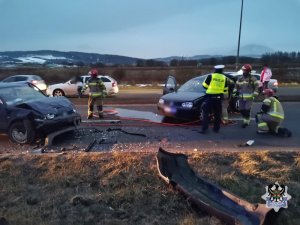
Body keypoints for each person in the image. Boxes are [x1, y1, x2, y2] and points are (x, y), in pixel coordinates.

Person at [199, 65, 229, 134]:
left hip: (210, 97)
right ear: (222, 70)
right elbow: (225, 89)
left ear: (215, 70)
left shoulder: (211, 76)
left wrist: (210, 88)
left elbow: (204, 85)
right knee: (217, 114)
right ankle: (216, 129)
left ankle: (205, 129)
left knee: (205, 113)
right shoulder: (225, 78)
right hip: (218, 98)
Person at [234, 64, 259, 128]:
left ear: (248, 71)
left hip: (249, 98)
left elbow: (257, 87)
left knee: (247, 110)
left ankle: (246, 122)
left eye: (244, 70)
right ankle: (246, 119)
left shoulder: (253, 79)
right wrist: (234, 92)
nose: (243, 72)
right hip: (241, 97)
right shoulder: (240, 78)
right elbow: (236, 86)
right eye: (243, 71)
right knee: (241, 110)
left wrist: (255, 94)